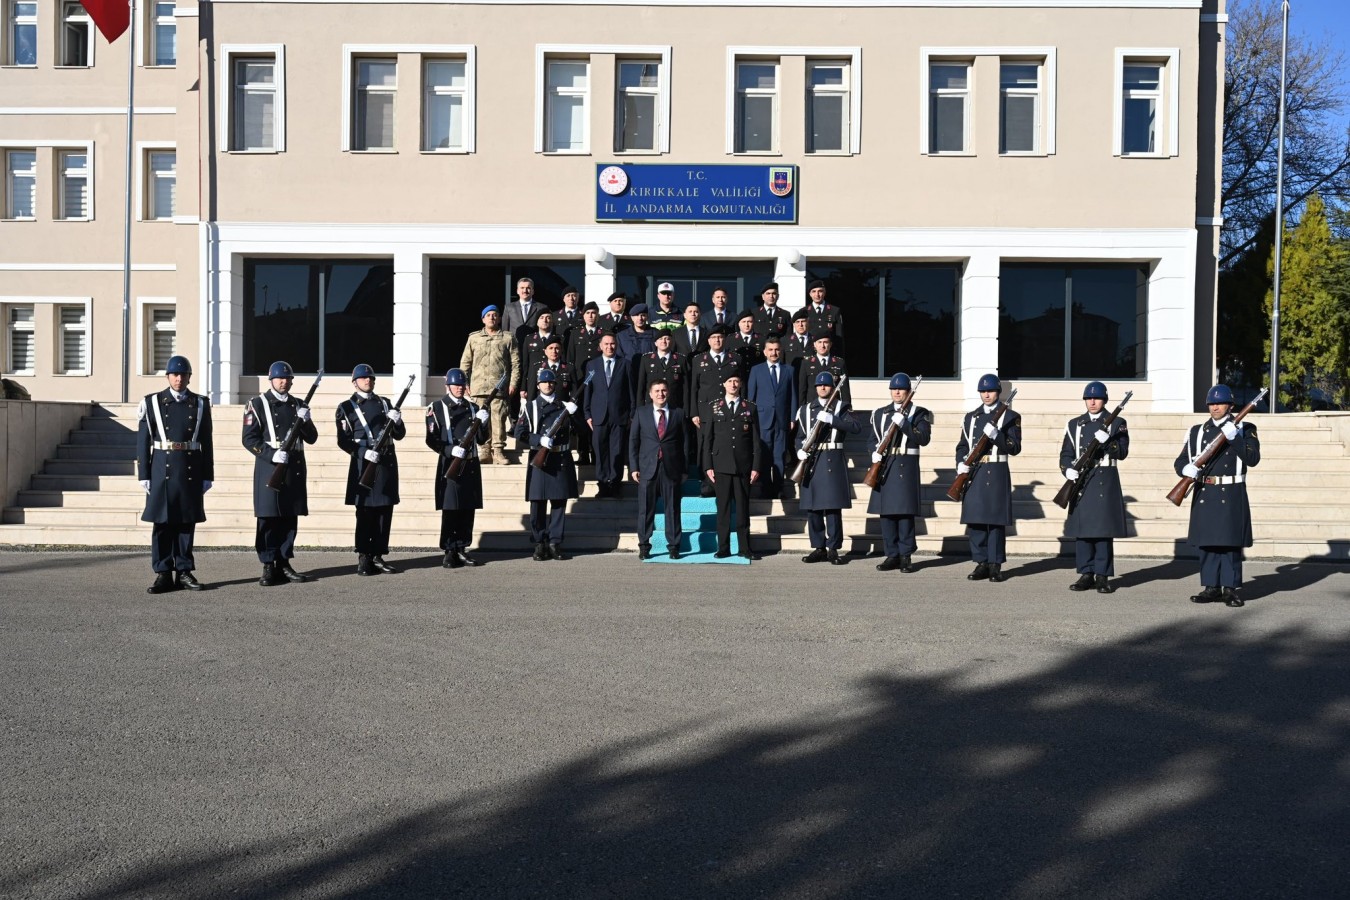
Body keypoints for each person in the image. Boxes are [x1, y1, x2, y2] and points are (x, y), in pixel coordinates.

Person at [1175, 384, 1261, 607]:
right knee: (1208, 543)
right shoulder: (1197, 431)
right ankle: (1211, 587)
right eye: (1212, 403)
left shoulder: (1245, 428)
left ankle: (1230, 589)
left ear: (1230, 405)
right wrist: (1185, 470)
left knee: (1230, 544)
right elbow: (1181, 460)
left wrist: (1236, 439)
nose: (1215, 407)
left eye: (1220, 403)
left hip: (1231, 492)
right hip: (1205, 491)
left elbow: (1252, 459)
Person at [137, 354, 214, 594]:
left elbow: (206, 441)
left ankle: (184, 571)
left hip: (190, 467)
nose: (179, 378)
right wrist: (144, 474)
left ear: (190, 377)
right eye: (174, 374)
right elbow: (143, 441)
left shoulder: (200, 403)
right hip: (162, 467)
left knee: (185, 522)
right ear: (168, 377)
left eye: (183, 375)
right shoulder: (152, 402)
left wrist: (208, 474)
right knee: (162, 523)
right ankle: (162, 573)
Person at [242, 360, 317, 586]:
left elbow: (312, 438)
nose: (284, 382)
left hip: (293, 466)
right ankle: (268, 565)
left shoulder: (299, 405)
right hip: (270, 466)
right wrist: (270, 454)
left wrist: (304, 421)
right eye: (279, 378)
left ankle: (284, 562)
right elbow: (249, 438)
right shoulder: (257, 403)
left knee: (288, 517)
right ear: (271, 380)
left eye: (287, 378)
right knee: (268, 518)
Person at [336, 363, 406, 576]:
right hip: (363, 464)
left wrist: (398, 421)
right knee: (365, 513)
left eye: (371, 378)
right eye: (364, 378)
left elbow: (400, 434)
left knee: (384, 512)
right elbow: (343, 440)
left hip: (385, 464)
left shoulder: (385, 404)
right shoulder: (346, 407)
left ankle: (378, 555)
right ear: (354, 382)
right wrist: (362, 452)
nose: (368, 381)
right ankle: (364, 556)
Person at [1060, 381, 1129, 594]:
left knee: (1102, 532)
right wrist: (1067, 469)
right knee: (1083, 531)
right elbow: (1066, 454)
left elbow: (1122, 452)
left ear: (1104, 400)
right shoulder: (1075, 424)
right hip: (1081, 481)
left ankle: (1102, 575)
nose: (1092, 401)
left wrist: (1108, 441)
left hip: (1103, 481)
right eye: (1089, 398)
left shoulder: (1117, 422)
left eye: (1096, 398)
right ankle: (1086, 573)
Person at [954, 373, 1022, 582]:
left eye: (990, 391)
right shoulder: (971, 417)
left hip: (996, 471)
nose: (986, 395)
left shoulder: (1010, 416)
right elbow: (962, 446)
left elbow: (1014, 447)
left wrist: (996, 435)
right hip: (975, 472)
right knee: (976, 521)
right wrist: (960, 463)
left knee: (995, 522)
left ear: (998, 392)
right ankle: (980, 562)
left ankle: (995, 564)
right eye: (983, 391)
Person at [867, 373, 932, 572]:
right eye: (893, 389)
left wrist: (905, 424)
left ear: (908, 391)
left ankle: (905, 556)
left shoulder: (919, 413)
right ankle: (891, 554)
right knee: (886, 514)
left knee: (904, 515)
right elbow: (872, 439)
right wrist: (873, 454)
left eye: (901, 389)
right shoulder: (880, 413)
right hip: (885, 465)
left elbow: (923, 438)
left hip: (905, 465)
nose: (896, 392)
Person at [426, 368, 490, 569]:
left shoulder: (473, 408)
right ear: (448, 387)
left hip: (470, 463)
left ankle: (462, 548)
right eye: (456, 385)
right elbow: (431, 439)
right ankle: (449, 550)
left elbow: (481, 439)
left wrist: (485, 423)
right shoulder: (436, 407)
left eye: (462, 385)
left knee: (467, 508)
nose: (460, 389)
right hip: (450, 462)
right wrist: (450, 450)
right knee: (451, 508)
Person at [795, 372, 861, 564]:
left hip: (832, 458)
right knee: (813, 508)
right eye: (819, 385)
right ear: (815, 388)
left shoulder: (842, 407)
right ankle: (818, 547)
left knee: (832, 508)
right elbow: (800, 435)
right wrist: (800, 449)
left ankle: (833, 548)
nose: (823, 388)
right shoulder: (805, 410)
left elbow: (856, 427)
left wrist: (834, 419)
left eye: (826, 385)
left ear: (833, 388)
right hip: (812, 460)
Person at [515, 368, 579, 560]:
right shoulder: (530, 407)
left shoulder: (564, 407)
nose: (548, 385)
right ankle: (539, 543)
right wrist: (538, 439)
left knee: (559, 503)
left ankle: (555, 543)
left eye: (551, 382)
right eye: (544, 382)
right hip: (540, 459)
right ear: (538, 385)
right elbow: (520, 433)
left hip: (560, 458)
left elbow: (581, 430)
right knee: (538, 503)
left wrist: (575, 414)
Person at [701, 374, 762, 559]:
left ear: (740, 383)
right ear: (724, 384)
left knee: (743, 510)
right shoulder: (714, 407)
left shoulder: (750, 407)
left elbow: (756, 440)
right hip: (721, 466)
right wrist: (707, 466)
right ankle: (723, 548)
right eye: (729, 381)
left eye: (736, 381)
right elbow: (708, 439)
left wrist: (756, 466)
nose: (733, 384)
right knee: (724, 509)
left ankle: (745, 548)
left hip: (743, 466)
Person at [629, 379, 688, 559]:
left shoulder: (678, 414)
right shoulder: (641, 413)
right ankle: (644, 545)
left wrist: (684, 470)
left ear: (668, 392)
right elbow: (633, 441)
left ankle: (674, 546)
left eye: (663, 390)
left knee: (672, 509)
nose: (660, 394)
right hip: (647, 468)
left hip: (671, 468)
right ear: (650, 394)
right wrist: (633, 467)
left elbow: (685, 443)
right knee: (646, 509)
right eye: (657, 391)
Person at [690, 325, 747, 495]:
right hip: (706, 412)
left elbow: (742, 387)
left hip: (730, 411)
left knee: (725, 445)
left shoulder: (736, 359)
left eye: (720, 337)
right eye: (713, 338)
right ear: (708, 340)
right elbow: (694, 388)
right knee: (705, 447)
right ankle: (707, 483)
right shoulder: (699, 360)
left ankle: (724, 484)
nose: (717, 340)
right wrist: (694, 412)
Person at [459, 304, 520, 464]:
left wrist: (513, 383)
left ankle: (498, 451)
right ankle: (485, 450)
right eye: (488, 315)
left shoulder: (508, 337)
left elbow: (515, 363)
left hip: (499, 388)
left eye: (495, 315)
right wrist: (464, 382)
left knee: (498, 419)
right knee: (481, 419)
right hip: (478, 387)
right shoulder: (474, 338)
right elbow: (465, 362)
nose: (492, 317)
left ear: (499, 318)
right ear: (483, 319)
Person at [746, 336, 797, 500]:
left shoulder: (789, 370)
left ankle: (779, 488)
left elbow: (793, 396)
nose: (774, 352)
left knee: (780, 455)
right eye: (770, 349)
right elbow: (750, 398)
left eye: (776, 349)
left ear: (780, 351)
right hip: (762, 420)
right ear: (764, 352)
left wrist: (792, 418)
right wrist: (750, 419)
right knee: (764, 456)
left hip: (782, 419)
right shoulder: (756, 370)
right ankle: (765, 488)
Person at [584, 333, 635, 498]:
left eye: (612, 344)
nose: (609, 347)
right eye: (606, 344)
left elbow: (631, 393)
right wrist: (587, 413)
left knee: (617, 452)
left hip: (619, 416)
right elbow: (588, 391)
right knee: (600, 451)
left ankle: (614, 483)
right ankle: (603, 483)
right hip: (598, 416)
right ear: (600, 346)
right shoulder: (592, 365)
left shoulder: (625, 364)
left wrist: (631, 414)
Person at [635, 330, 688, 411]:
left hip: (674, 406)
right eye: (660, 339)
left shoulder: (681, 359)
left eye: (667, 338)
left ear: (672, 341)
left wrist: (686, 410)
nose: (663, 341)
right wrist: (640, 409)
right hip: (651, 406)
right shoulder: (646, 359)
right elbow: (641, 386)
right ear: (655, 343)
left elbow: (685, 387)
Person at [797, 332, 849, 407]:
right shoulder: (806, 363)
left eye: (825, 342)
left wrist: (846, 408)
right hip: (812, 406)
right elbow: (802, 389)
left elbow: (845, 390)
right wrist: (801, 408)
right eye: (819, 342)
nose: (822, 346)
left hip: (833, 406)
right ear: (814, 344)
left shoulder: (839, 363)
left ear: (830, 344)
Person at [519, 310, 559, 397]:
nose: (545, 320)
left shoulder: (559, 339)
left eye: (548, 318)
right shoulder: (529, 339)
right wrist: (523, 387)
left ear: (552, 322)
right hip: (533, 380)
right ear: (537, 322)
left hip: (552, 380)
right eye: (541, 318)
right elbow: (525, 365)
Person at [526, 336, 577, 402]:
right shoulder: (537, 368)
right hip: (543, 408)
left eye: (557, 348)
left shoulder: (569, 368)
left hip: (563, 408)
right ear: (545, 351)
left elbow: (574, 391)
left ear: (561, 351)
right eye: (551, 348)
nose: (554, 351)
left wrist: (571, 405)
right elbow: (531, 392)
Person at [502, 276, 550, 344]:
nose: (525, 291)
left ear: (533, 291)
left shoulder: (542, 307)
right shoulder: (509, 307)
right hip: (514, 346)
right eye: (522, 288)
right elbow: (505, 330)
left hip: (534, 345)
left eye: (528, 288)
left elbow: (546, 328)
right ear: (517, 291)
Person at [805, 279, 844, 351]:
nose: (817, 294)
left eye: (820, 291)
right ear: (810, 294)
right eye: (814, 291)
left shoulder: (834, 311)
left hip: (830, 353)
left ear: (825, 292)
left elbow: (839, 336)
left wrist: (840, 357)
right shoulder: (804, 311)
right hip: (810, 353)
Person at [782, 308, 814, 372]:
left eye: (803, 321)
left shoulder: (815, 340)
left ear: (808, 322)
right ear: (793, 324)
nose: (800, 325)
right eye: (797, 322)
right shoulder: (784, 341)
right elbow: (781, 363)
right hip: (792, 377)